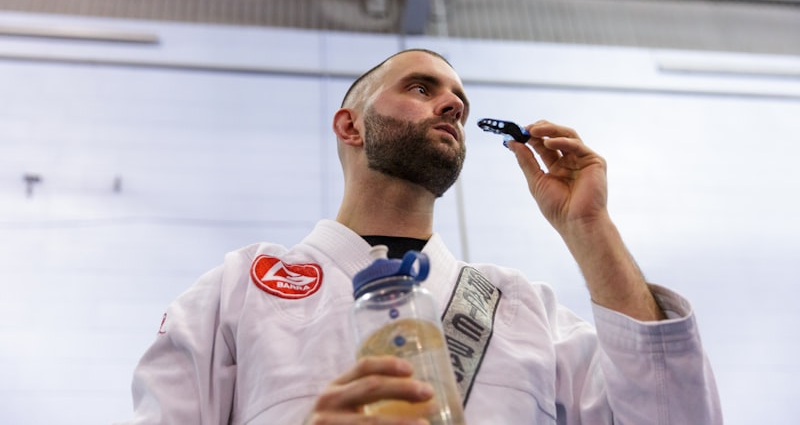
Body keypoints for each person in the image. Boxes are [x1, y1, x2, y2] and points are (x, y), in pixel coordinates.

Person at [119, 48, 722, 424]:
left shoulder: (524, 310)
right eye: (420, 88)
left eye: (459, 99)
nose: (451, 106)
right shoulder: (239, 290)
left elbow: (677, 415)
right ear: (350, 125)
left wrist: (589, 227)